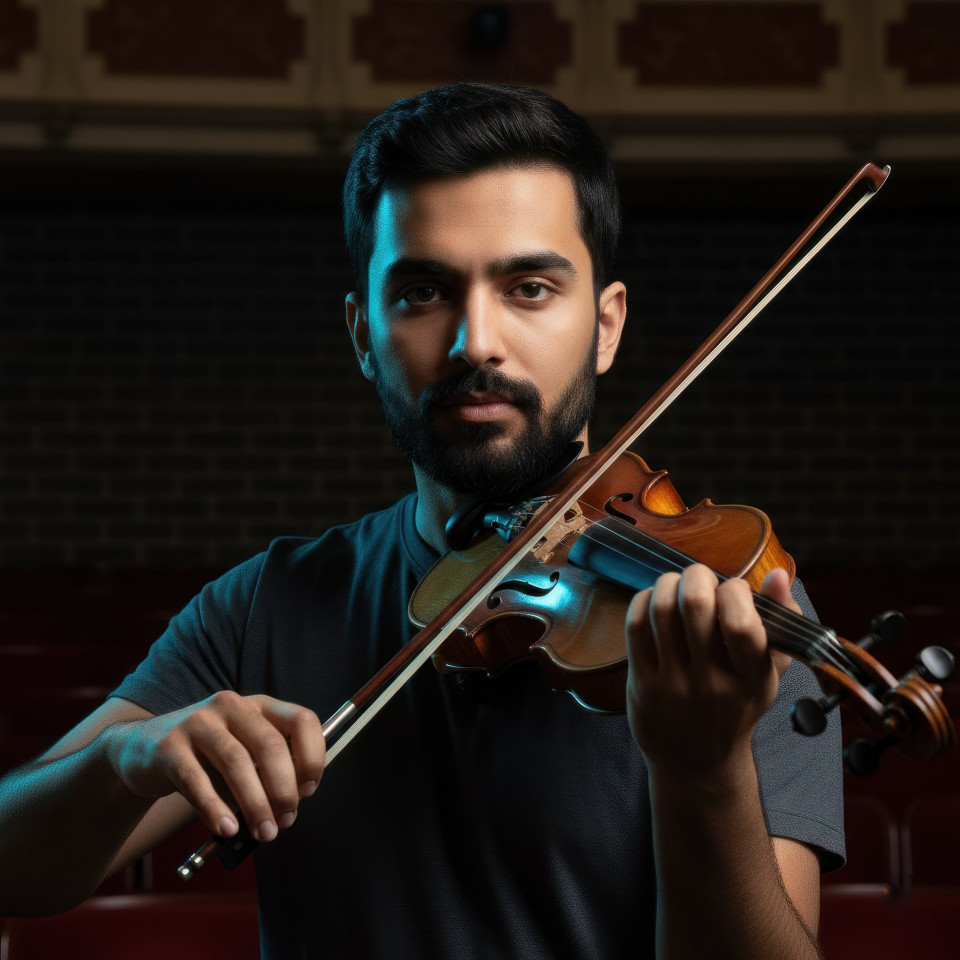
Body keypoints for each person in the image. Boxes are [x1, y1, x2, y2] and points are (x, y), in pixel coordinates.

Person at [0, 82, 844, 959]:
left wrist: (704, 778)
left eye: (529, 288)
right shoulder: (264, 607)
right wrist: (121, 759)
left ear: (605, 325)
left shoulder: (731, 616)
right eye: (422, 293)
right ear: (363, 333)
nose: (476, 341)